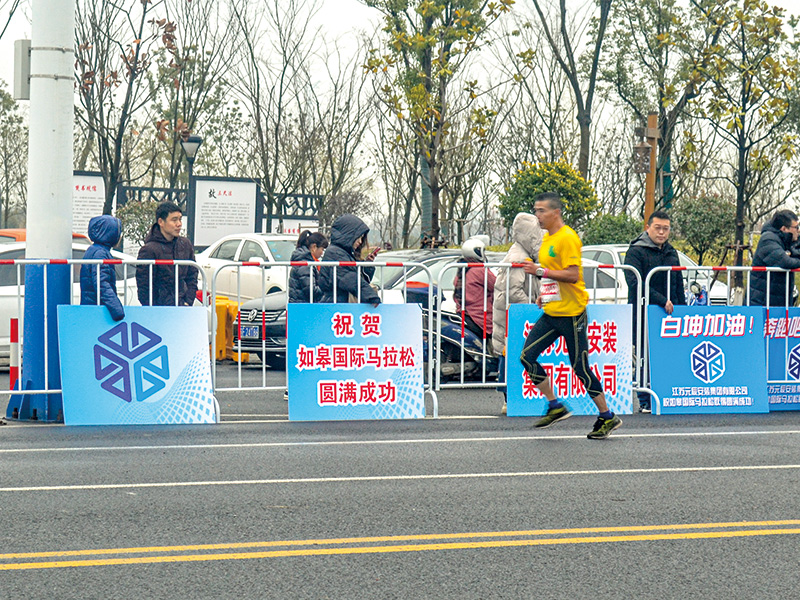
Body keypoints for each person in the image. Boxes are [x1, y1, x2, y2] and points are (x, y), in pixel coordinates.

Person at [520, 192, 622, 439]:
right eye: (535, 210)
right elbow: (554, 275)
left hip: (573, 314)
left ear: (556, 213)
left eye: (541, 211)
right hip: (552, 312)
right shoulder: (547, 239)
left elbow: (572, 275)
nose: (537, 216)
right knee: (527, 357)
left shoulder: (568, 238)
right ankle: (555, 405)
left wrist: (540, 270)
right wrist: (545, 294)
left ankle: (607, 416)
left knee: (580, 368)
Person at [623, 210, 685, 413]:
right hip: (643, 310)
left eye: (665, 229)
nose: (661, 232)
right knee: (644, 354)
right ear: (647, 228)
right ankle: (644, 398)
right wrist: (660, 300)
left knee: (667, 353)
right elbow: (635, 281)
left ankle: (666, 393)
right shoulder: (636, 251)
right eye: (657, 228)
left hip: (669, 312)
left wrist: (681, 308)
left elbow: (677, 281)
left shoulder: (671, 252)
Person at [492, 212, 543, 414]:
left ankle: (513, 395)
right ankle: (508, 396)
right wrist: (529, 308)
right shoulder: (518, 258)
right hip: (513, 317)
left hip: (514, 316)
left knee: (514, 352)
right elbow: (513, 291)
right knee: (510, 352)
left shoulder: (524, 255)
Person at [136, 201, 198, 306]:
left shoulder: (185, 245)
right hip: (158, 311)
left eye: (180, 219)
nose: (179, 224)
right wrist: (153, 307)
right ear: (161, 222)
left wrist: (188, 301)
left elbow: (192, 275)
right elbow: (144, 286)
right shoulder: (149, 250)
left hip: (183, 307)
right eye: (174, 220)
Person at [318, 214, 381, 306]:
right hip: (336, 304)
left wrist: (366, 265)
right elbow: (350, 278)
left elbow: (355, 278)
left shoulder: (342, 253)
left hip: (339, 303)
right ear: (349, 235)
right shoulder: (336, 253)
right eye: (359, 237)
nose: (360, 242)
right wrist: (371, 296)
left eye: (362, 238)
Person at [749, 209, 800, 307]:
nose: (798, 230)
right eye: (796, 227)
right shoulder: (768, 239)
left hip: (779, 299)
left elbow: (796, 255)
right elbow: (786, 262)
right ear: (784, 229)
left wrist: (796, 242)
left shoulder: (786, 239)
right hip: (762, 301)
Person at [80, 215, 125, 321]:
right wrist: (117, 310)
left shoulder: (95, 250)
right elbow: (102, 283)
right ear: (110, 234)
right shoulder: (101, 253)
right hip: (97, 309)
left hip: (91, 306)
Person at [453, 238, 496, 341]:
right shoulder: (480, 271)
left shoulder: (461, 270)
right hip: (480, 318)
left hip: (464, 314)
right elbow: (497, 285)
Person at [289, 230, 328, 303]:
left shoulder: (303, 260)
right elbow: (310, 289)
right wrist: (326, 290)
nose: (322, 253)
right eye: (322, 249)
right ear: (314, 247)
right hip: (303, 305)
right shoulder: (305, 264)